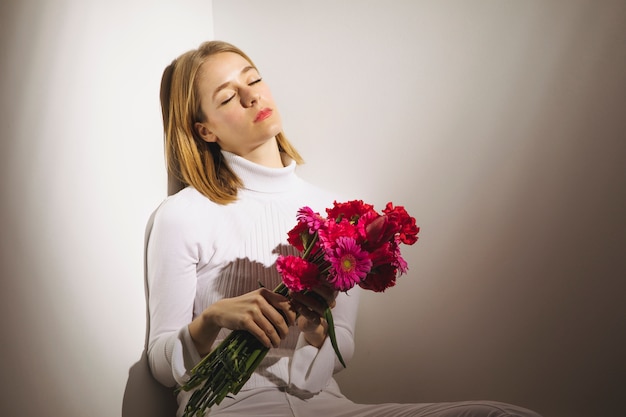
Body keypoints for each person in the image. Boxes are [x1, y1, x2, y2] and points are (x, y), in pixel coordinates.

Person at [146, 40, 542, 417]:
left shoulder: (335, 214)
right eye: (228, 97)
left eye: (253, 79)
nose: (252, 96)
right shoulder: (184, 214)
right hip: (232, 406)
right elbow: (162, 363)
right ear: (205, 131)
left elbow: (342, 345)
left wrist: (316, 327)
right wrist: (213, 318)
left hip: (324, 404)